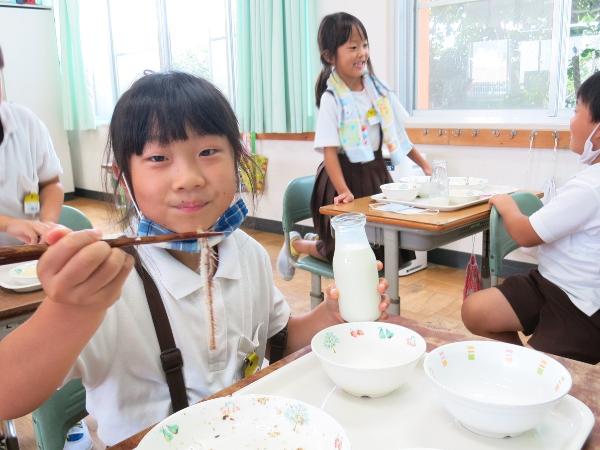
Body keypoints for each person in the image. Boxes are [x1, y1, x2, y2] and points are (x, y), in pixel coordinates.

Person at [0, 72, 391, 445]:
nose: (188, 177)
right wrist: (68, 310)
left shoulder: (249, 255)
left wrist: (331, 315)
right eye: (158, 158)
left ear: (238, 158)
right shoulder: (107, 284)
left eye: (207, 152)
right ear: (124, 178)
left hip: (246, 433)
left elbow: (280, 341)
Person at [277, 12, 431, 280]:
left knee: (382, 253)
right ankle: (297, 244)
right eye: (352, 47)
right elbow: (329, 152)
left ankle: (377, 306)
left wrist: (425, 165)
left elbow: (398, 136)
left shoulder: (377, 92)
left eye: (365, 45)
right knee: (346, 253)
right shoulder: (331, 98)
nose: (362, 53)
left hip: (374, 175)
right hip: (340, 178)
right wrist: (344, 191)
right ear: (329, 56)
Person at [462, 71, 600, 364]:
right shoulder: (588, 181)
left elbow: (524, 234)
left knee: (542, 376)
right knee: (475, 310)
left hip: (581, 306)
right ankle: (525, 365)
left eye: (576, 111)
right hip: (548, 282)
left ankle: (531, 372)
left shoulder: (591, 187)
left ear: (597, 130)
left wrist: (507, 203)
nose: (571, 121)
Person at [0, 45, 64, 245]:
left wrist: (47, 226)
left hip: (26, 255)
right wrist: (8, 224)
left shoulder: (25, 122)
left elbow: (51, 183)